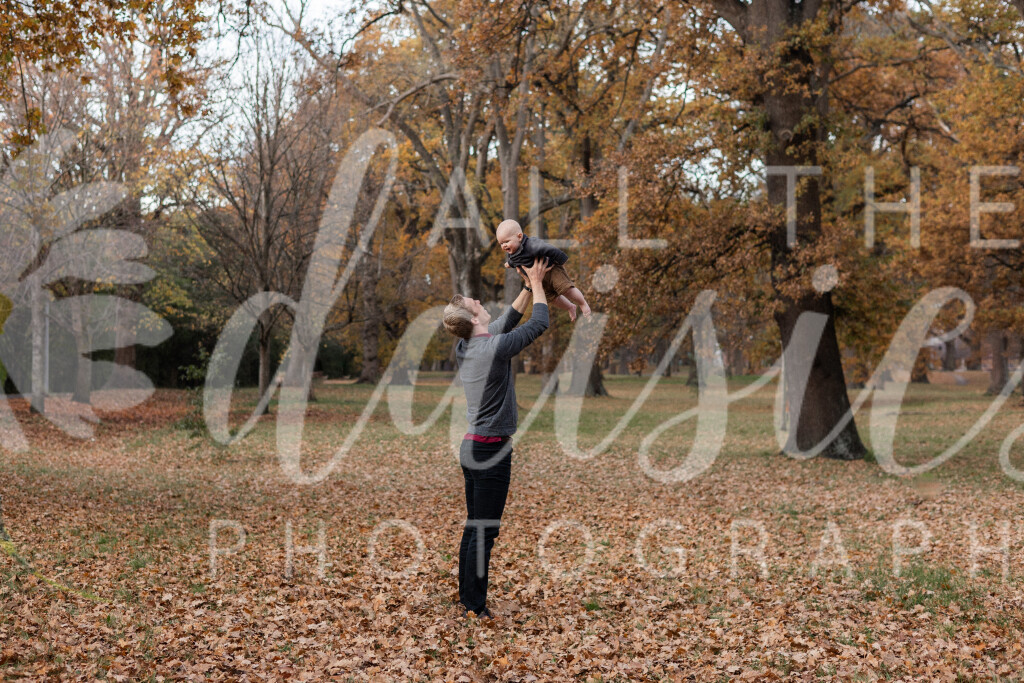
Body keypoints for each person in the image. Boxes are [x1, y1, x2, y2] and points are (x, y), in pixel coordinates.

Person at [441, 256, 553, 621]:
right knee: (484, 532)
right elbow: (539, 323)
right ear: (475, 320)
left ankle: (468, 598)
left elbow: (507, 320)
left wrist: (527, 285)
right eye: (475, 304)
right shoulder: (493, 348)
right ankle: (475, 605)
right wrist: (539, 285)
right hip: (490, 453)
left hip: (472, 448)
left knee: (475, 526)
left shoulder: (466, 346)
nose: (479, 302)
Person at [496, 219, 592, 322]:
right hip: (539, 280)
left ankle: (582, 303)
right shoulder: (512, 252)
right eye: (501, 243)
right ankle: (570, 307)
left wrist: (561, 259)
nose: (504, 246)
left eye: (506, 241)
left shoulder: (531, 245)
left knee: (566, 289)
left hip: (551, 270)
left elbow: (548, 248)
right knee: (551, 298)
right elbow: (514, 260)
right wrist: (510, 264)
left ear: (519, 237)